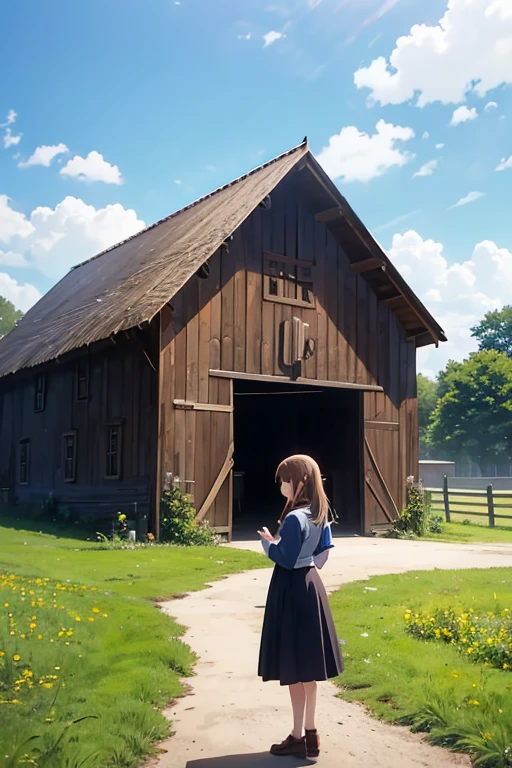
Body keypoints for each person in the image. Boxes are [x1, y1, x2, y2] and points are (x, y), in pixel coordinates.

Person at [258, 454, 343, 759]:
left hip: (291, 587)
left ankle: (297, 736)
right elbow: (322, 556)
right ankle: (311, 734)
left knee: (295, 667)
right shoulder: (319, 514)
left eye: (284, 479)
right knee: (308, 667)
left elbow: (285, 558)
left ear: (299, 481)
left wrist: (268, 543)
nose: (281, 484)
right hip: (311, 586)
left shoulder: (295, 518)